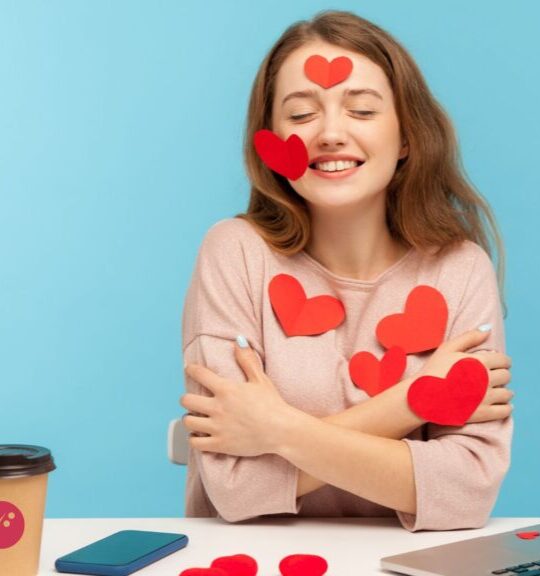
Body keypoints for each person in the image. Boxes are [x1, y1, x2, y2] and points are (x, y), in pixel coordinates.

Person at [179, 10, 513, 532]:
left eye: (361, 110)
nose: (331, 134)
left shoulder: (460, 269)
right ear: (269, 142)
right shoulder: (235, 253)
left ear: (406, 137)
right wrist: (414, 399)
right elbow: (238, 488)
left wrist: (277, 429)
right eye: (300, 114)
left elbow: (466, 492)